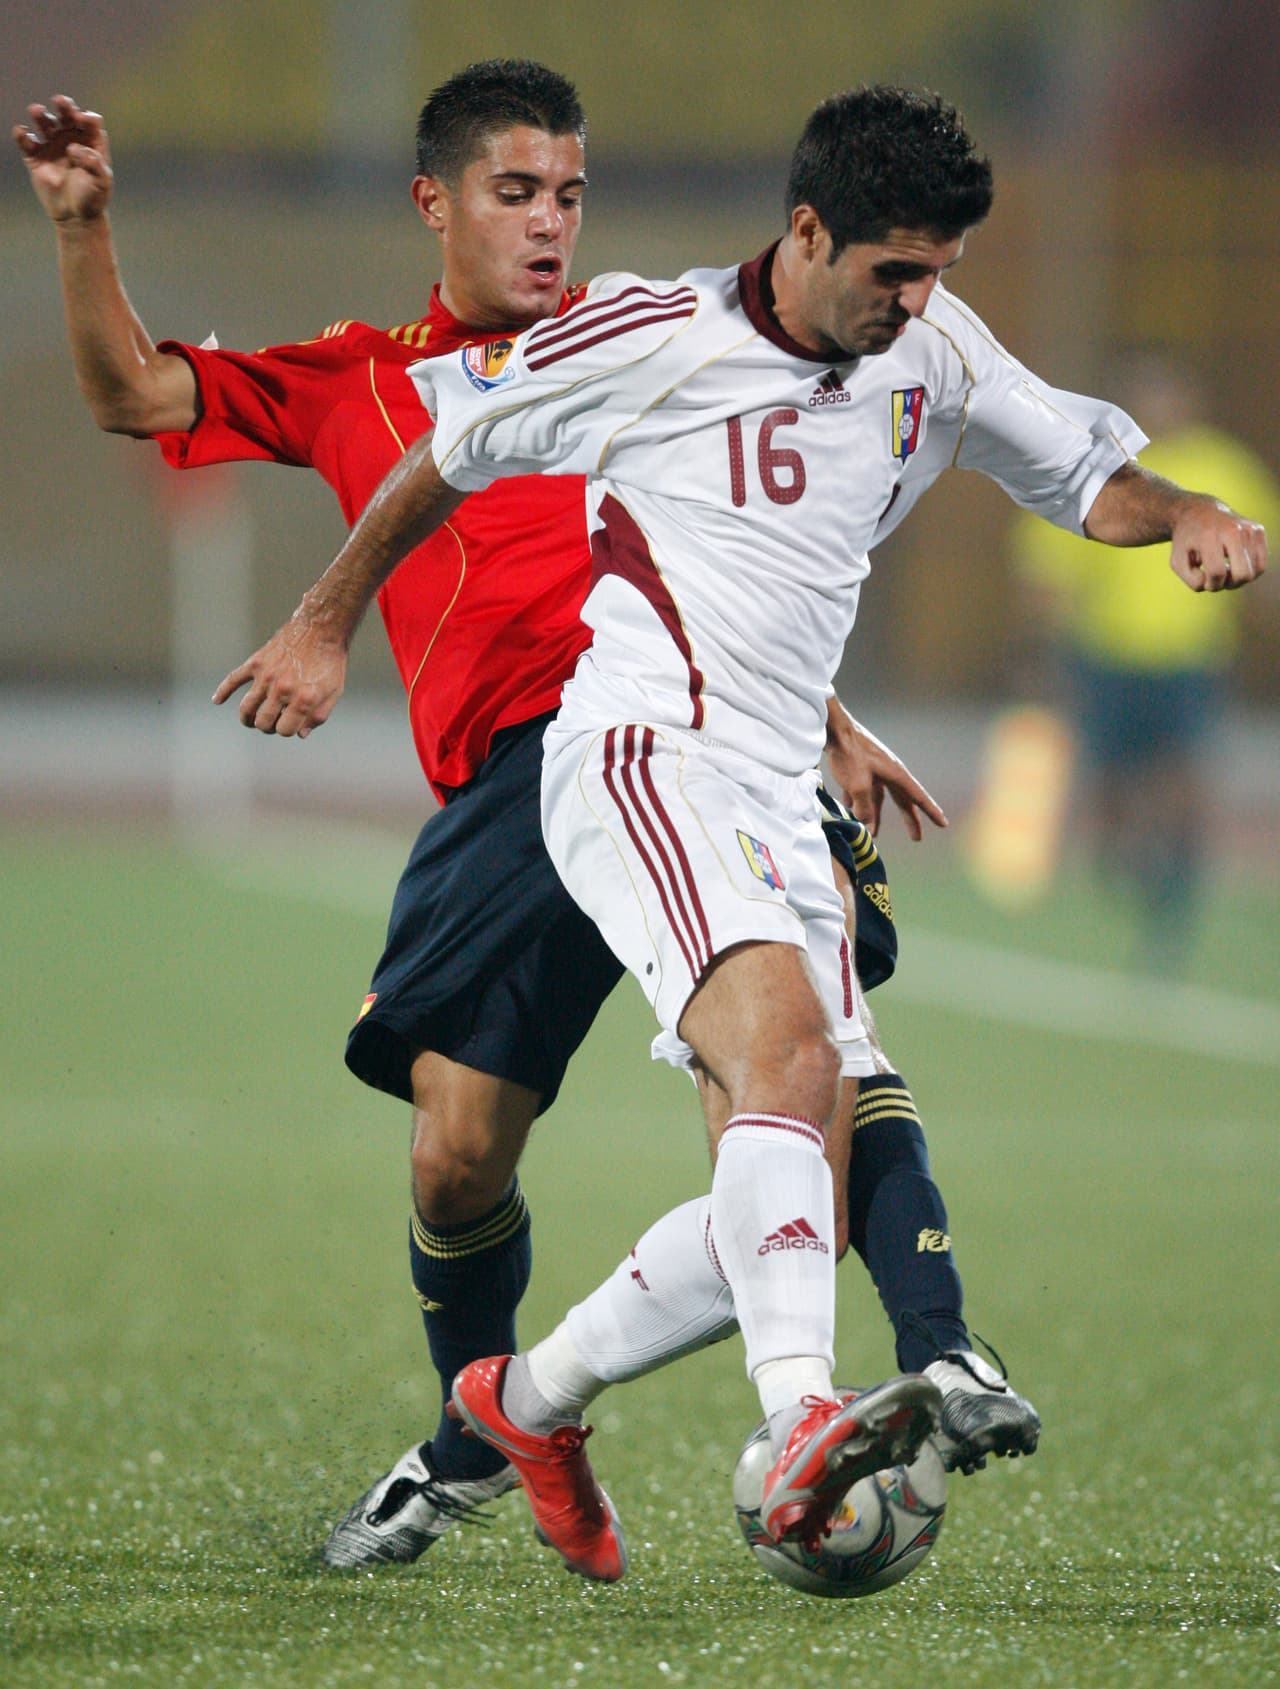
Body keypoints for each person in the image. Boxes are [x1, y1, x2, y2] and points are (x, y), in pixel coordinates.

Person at [214, 82, 1266, 1577]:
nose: (919, 304)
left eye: (939, 274)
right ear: (805, 231)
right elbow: (448, 454)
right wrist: (321, 627)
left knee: (797, 1158)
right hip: (638, 753)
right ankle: (801, 1426)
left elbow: (1083, 470)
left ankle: (518, 1401)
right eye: (892, 271)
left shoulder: (935, 344)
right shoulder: (650, 335)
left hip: (777, 781)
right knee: (781, 1060)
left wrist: (1183, 513)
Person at [16, 73, 1038, 1581]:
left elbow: (751, 554)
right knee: (456, 1159)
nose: (552, 222)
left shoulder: (663, 347)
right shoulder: (365, 382)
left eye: (570, 193)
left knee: (796, 1075)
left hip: (699, 744)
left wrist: (817, 717)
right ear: (434, 202)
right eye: (516, 193)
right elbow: (131, 396)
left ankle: (914, 1361)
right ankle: (486, 1427)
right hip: (516, 784)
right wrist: (86, 225)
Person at [1008, 346, 1280, 970]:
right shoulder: (1107, 468)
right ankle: (1131, 869)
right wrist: (1038, 644)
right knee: (1109, 792)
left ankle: (1176, 898)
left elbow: (1259, 558)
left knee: (1184, 781)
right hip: (1105, 656)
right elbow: (1051, 565)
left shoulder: (1227, 470)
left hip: (1190, 661)